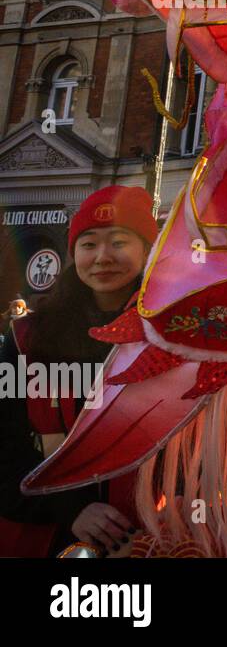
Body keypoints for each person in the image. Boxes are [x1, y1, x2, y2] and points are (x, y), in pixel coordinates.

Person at [0, 186, 157, 556]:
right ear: (74, 254)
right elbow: (5, 444)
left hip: (148, 531)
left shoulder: (170, 337)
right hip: (46, 533)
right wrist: (71, 509)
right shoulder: (28, 338)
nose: (102, 257)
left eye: (119, 242)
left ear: (147, 250)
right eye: (88, 245)